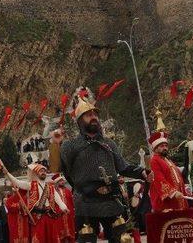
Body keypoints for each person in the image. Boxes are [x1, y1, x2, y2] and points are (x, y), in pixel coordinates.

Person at [58, 87, 151, 243]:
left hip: (111, 198)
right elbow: (63, 170)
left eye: (95, 114)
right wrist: (81, 185)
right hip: (86, 199)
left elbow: (123, 166)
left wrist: (142, 172)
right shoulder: (70, 146)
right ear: (80, 121)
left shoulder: (109, 144)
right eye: (88, 115)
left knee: (123, 239)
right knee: (86, 239)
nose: (93, 117)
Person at [6, 163, 68, 243]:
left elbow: (58, 199)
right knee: (39, 239)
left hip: (49, 216)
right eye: (41, 171)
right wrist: (7, 174)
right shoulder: (31, 185)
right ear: (36, 173)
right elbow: (17, 182)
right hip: (38, 218)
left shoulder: (51, 187)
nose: (43, 172)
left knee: (52, 239)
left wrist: (64, 207)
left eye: (44, 171)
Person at [148, 110, 187, 212]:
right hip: (167, 202)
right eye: (161, 146)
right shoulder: (154, 161)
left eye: (166, 145)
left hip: (178, 199)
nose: (165, 148)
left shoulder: (168, 161)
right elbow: (159, 180)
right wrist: (173, 193)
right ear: (155, 149)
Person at [52, 174, 75, 243]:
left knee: (70, 231)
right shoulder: (53, 191)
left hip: (68, 214)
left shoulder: (68, 190)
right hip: (58, 214)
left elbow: (72, 202)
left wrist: (73, 211)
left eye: (63, 180)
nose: (62, 182)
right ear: (56, 182)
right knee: (60, 231)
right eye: (60, 181)